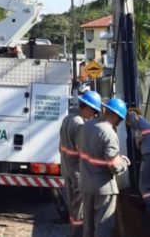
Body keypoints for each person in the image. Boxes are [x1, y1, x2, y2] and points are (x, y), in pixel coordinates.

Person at [78, 96, 129, 237]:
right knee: (103, 228)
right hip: (103, 189)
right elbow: (114, 166)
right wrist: (124, 162)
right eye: (120, 119)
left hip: (86, 185)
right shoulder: (109, 133)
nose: (119, 122)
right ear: (115, 115)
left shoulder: (86, 126)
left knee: (88, 228)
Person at [59, 90, 101, 236]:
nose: (95, 115)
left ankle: (74, 233)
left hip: (67, 170)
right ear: (87, 108)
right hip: (77, 173)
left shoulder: (67, 118)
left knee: (73, 208)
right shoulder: (79, 124)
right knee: (80, 211)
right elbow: (83, 151)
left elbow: (61, 147)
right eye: (94, 111)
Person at [126, 108, 150, 225]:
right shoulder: (146, 126)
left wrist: (129, 114)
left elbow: (133, 116)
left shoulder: (138, 119)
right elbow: (139, 144)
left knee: (144, 187)